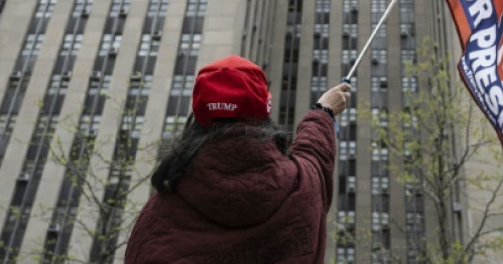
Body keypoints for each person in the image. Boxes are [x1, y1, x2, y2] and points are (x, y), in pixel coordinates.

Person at [125, 55, 351, 264]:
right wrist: (323, 112)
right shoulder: (303, 186)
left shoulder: (161, 212)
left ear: (198, 116)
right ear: (264, 110)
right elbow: (315, 153)